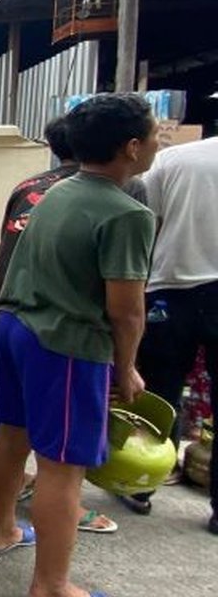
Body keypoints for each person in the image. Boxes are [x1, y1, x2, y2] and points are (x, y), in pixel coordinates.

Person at [0, 93, 156, 595]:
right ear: (130, 147)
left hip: (15, 326)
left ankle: (0, 530)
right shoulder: (126, 214)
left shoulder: (53, 191)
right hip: (64, 343)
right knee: (62, 468)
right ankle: (52, 585)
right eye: (151, 134)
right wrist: (125, 369)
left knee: (11, 437)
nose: (154, 142)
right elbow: (126, 310)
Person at [0, 115, 117, 534]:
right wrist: (126, 358)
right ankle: (59, 516)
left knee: (12, 425)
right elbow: (123, 293)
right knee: (60, 452)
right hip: (59, 326)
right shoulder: (112, 198)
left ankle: (2, 524)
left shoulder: (29, 187)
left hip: (4, 307)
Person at [127, 134, 218, 533]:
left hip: (170, 288)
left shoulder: (173, 159)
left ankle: (140, 483)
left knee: (161, 392)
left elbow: (148, 223)